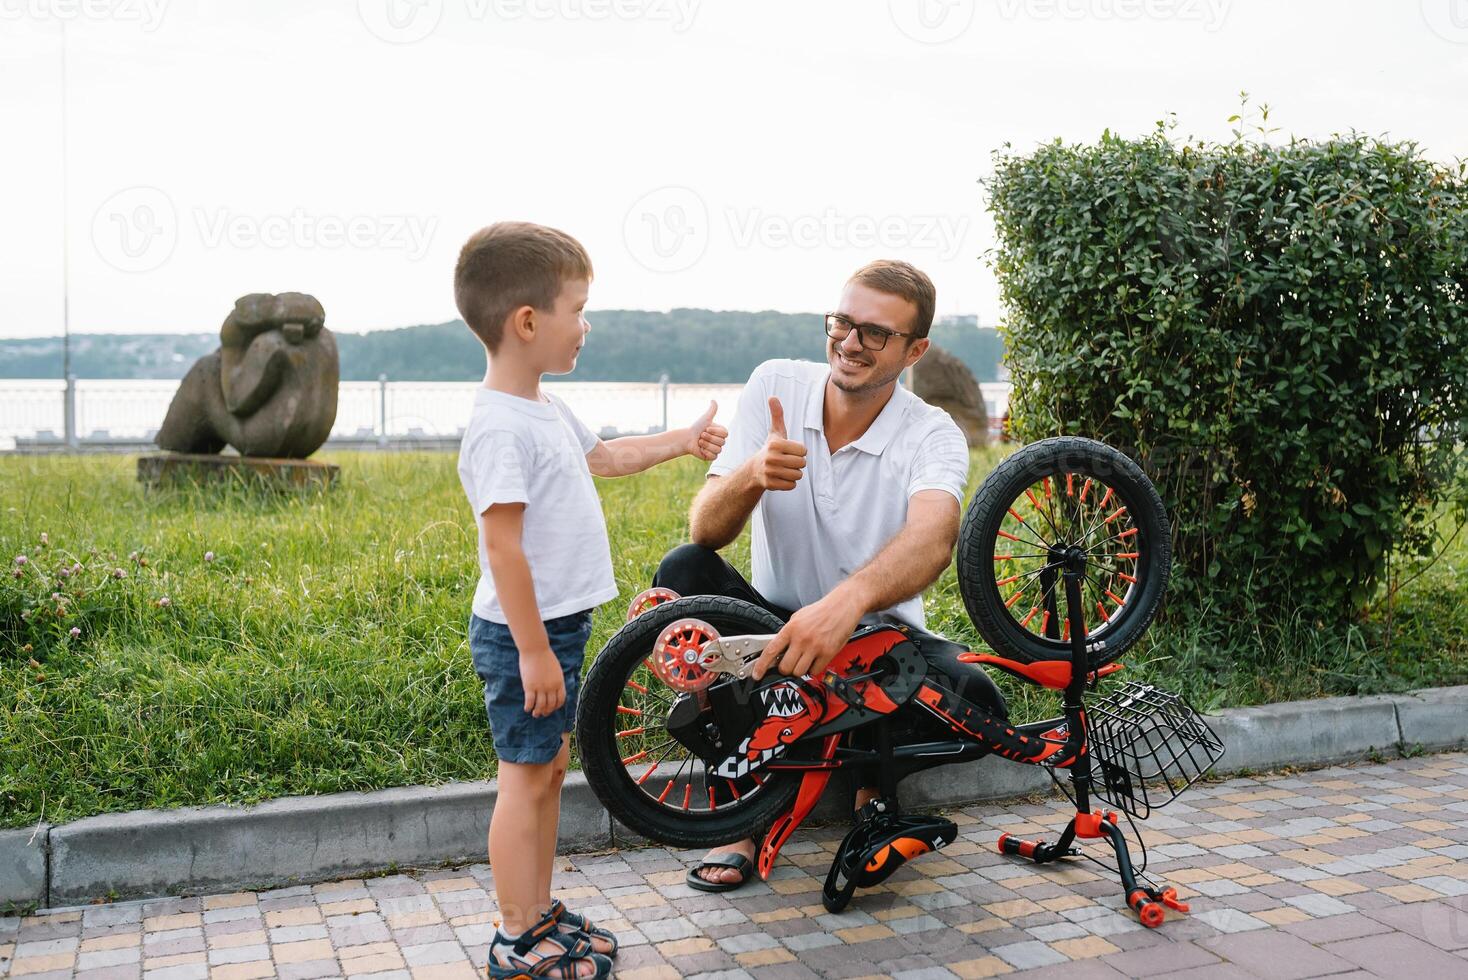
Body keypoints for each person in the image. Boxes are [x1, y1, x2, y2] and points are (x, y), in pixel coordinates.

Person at [454, 221, 728, 977]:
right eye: (579, 308)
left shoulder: (543, 407)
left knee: (546, 770)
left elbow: (606, 458)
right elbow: (502, 547)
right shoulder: (499, 428)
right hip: (523, 636)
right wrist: (535, 651)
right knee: (524, 775)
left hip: (556, 628)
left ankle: (538, 912)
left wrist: (682, 441)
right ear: (528, 322)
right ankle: (516, 938)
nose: (587, 325)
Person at [651, 259, 971, 891]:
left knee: (976, 700)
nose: (849, 343)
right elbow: (707, 532)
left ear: (915, 351)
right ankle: (738, 811)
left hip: (876, 649)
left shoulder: (932, 433)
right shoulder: (775, 384)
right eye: (842, 322)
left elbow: (935, 538)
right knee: (684, 569)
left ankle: (872, 796)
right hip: (773, 636)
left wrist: (849, 601)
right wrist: (751, 474)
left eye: (875, 333)